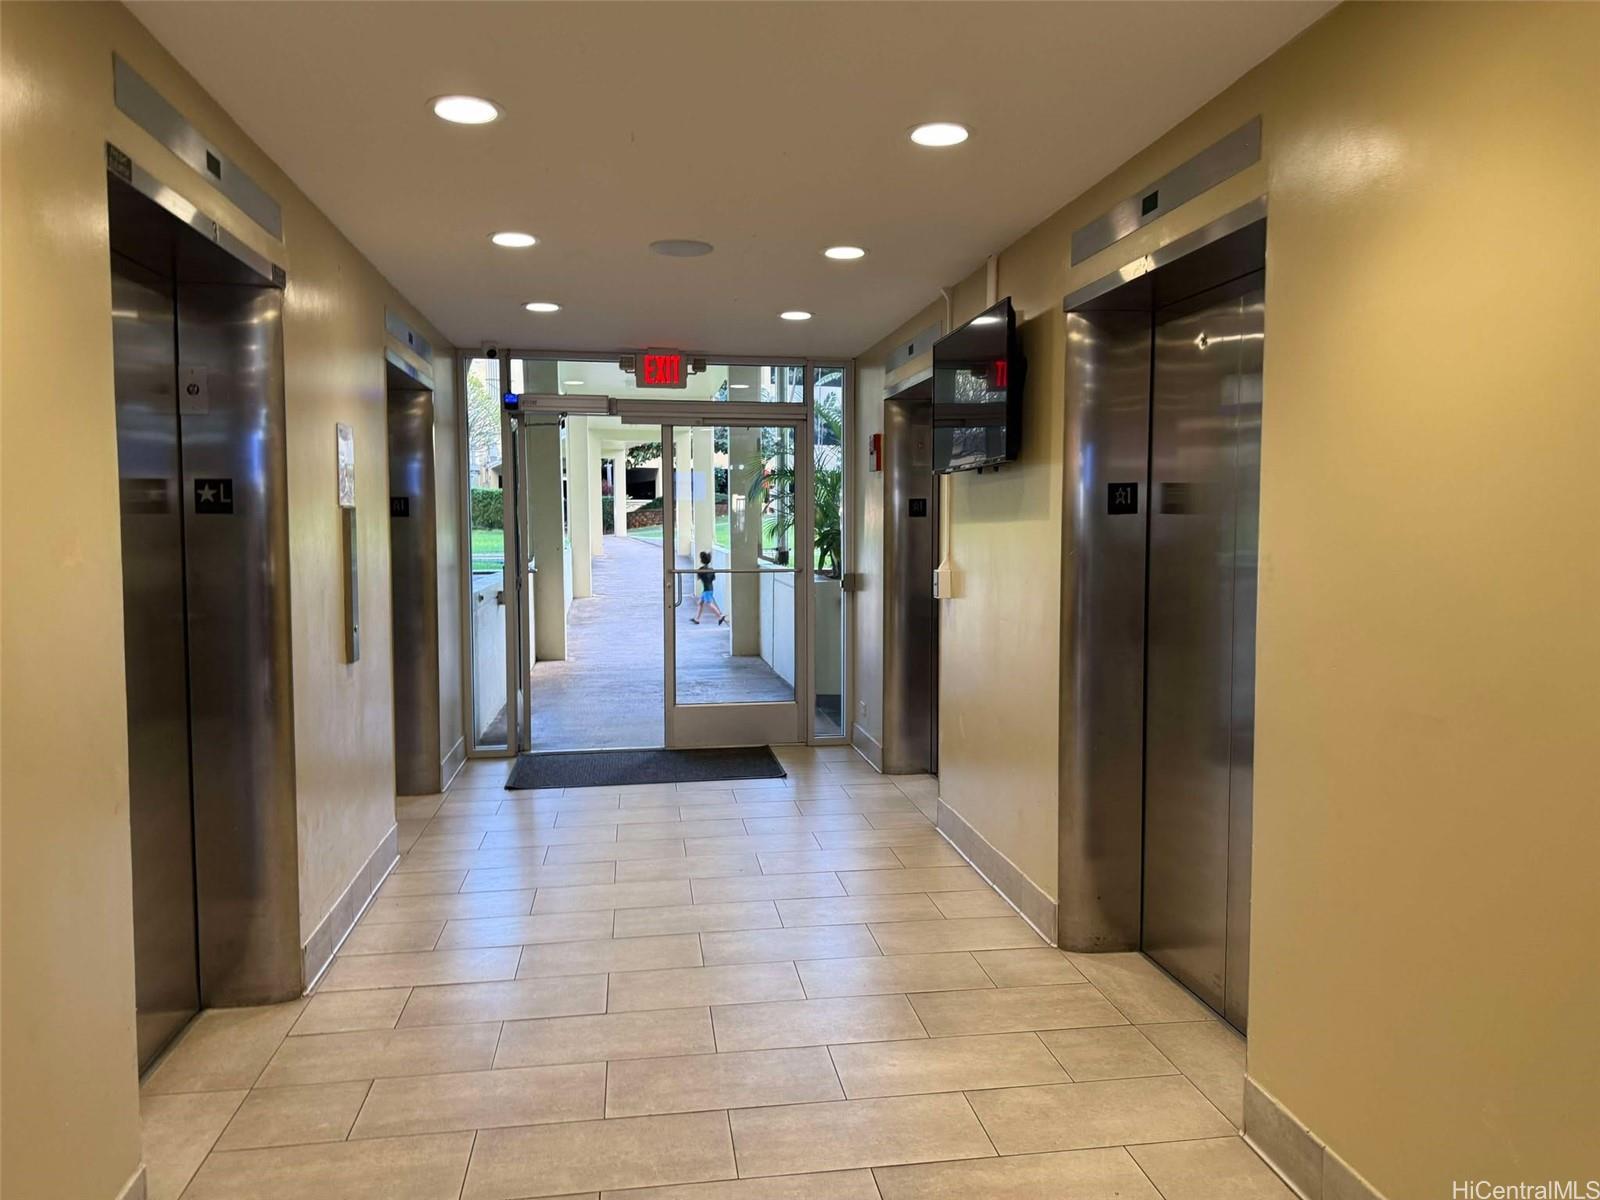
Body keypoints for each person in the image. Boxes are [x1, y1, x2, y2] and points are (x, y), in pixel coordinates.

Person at [690, 550, 727, 625]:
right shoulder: (712, 570)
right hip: (709, 588)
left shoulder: (701, 570)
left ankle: (720, 616)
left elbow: (698, 578)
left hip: (706, 590)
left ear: (701, 560)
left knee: (709, 603)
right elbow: (713, 578)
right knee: (700, 603)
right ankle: (697, 619)